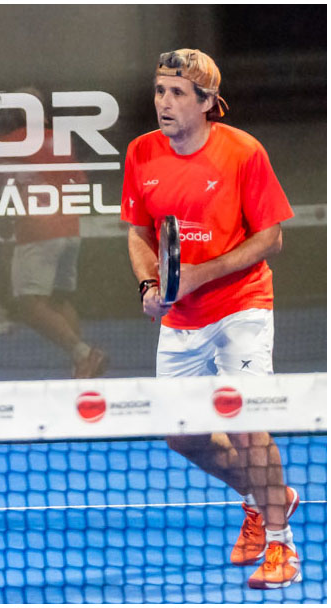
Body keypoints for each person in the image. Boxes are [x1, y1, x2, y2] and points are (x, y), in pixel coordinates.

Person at [121, 49, 299, 589]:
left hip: (241, 305)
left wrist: (202, 274)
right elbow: (138, 232)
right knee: (183, 435)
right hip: (182, 317)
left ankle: (282, 545)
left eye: (177, 93)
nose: (164, 102)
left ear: (206, 102)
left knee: (244, 425)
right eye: (160, 90)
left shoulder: (243, 152)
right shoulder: (141, 152)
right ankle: (265, 498)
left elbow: (271, 238)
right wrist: (150, 285)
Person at [0, 90, 108, 378]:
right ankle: (81, 365)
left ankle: (84, 354)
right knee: (58, 300)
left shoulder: (6, 144)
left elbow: (4, 187)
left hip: (36, 233)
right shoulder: (60, 139)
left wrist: (5, 218)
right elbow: (80, 180)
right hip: (69, 230)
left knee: (28, 305)